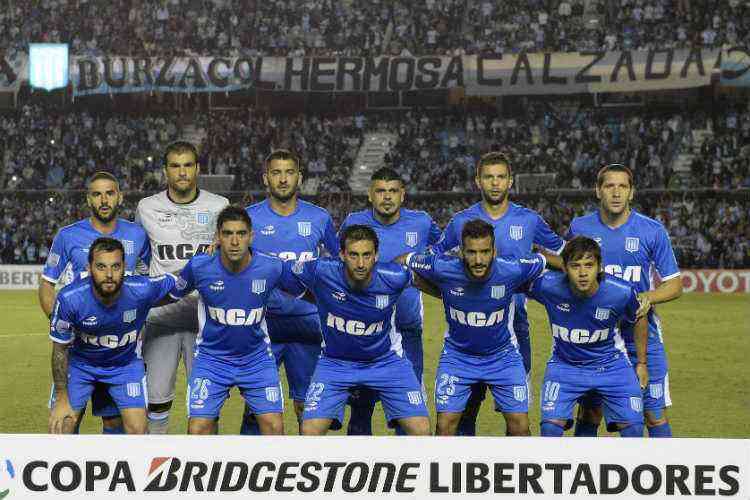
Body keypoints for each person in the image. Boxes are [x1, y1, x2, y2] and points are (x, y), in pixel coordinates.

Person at [434, 152, 564, 435]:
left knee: (516, 415)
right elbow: (435, 260)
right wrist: (450, 292)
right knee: (466, 408)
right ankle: (463, 473)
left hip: (514, 329)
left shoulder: (529, 220)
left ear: (510, 181)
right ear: (478, 180)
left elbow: (565, 255)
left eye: (501, 177)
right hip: (469, 325)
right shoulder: (460, 222)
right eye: (489, 177)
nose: (495, 183)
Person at [280, 225, 430, 436]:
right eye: (353, 255)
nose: (360, 263)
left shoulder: (394, 276)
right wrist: (318, 298)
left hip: (386, 361)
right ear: (341, 254)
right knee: (310, 430)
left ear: (376, 255)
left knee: (421, 430)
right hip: (335, 363)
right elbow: (278, 272)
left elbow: (434, 284)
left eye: (367, 255)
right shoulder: (321, 270)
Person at [568, 164, 682, 438]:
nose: (616, 193)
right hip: (595, 339)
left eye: (623, 186)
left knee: (653, 415)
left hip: (643, 337)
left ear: (632, 192)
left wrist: (646, 297)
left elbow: (675, 284)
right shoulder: (580, 227)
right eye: (609, 186)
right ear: (598, 191)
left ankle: (661, 476)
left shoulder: (651, 230)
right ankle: (583, 476)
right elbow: (567, 270)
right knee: (590, 413)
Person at [403, 219, 548, 436]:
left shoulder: (513, 269)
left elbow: (545, 261)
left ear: (494, 251)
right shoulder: (442, 267)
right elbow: (406, 260)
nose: (478, 260)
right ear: (461, 252)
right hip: (457, 357)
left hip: (503, 357)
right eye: (471, 252)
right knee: (444, 425)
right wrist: (440, 291)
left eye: (484, 252)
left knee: (520, 425)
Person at [40, 171, 150, 434]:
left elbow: (144, 287)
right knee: (65, 423)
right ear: (88, 199)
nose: (104, 199)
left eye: (110, 193)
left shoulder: (137, 236)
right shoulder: (68, 236)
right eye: (97, 194)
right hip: (79, 351)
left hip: (119, 352)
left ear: (120, 197)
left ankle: (111, 474)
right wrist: (64, 326)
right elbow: (47, 285)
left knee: (114, 422)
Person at [242, 149, 338, 434]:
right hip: (263, 328)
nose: (283, 179)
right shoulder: (249, 218)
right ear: (265, 178)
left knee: (308, 408)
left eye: (289, 172)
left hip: (308, 326)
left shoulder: (319, 218)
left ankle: (309, 471)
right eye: (276, 173)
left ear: (300, 178)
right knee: (257, 410)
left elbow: (338, 264)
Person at [136, 141, 229, 434]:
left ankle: (204, 469)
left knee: (206, 406)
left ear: (198, 168)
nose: (182, 172)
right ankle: (152, 470)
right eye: (175, 166)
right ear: (165, 171)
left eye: (188, 165)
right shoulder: (147, 208)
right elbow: (140, 259)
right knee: (156, 402)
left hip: (205, 322)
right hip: (160, 319)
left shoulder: (219, 206)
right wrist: (144, 297)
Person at [340, 167, 441, 435]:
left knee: (408, 417)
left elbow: (441, 253)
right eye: (381, 191)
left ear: (403, 195)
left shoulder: (421, 222)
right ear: (370, 195)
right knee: (360, 413)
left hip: (408, 332)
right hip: (364, 334)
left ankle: (408, 472)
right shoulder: (353, 223)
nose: (387, 197)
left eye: (393, 191)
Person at [170, 206, 286, 435]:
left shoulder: (271, 267)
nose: (235, 241)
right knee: (198, 429)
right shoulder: (200, 267)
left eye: (241, 234)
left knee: (274, 427)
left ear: (251, 237)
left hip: (256, 360)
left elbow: (308, 289)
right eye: (228, 234)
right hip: (212, 360)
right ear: (218, 237)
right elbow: (171, 293)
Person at [48, 238, 176, 434]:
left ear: (124, 267)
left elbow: (184, 280)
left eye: (115, 266)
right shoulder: (69, 299)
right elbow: (59, 350)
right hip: (81, 365)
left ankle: (115, 463)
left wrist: (210, 259)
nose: (109, 274)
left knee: (138, 431)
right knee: (62, 426)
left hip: (124, 366)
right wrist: (61, 397)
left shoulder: (142, 289)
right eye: (101, 266)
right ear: (89, 268)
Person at [526, 235, 648, 438]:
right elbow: (511, 282)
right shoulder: (547, 286)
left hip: (611, 365)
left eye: (589, 265)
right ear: (564, 268)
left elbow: (640, 316)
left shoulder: (621, 292)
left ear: (600, 267)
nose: (583, 273)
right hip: (565, 366)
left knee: (634, 429)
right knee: (549, 429)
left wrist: (642, 363)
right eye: (575, 266)